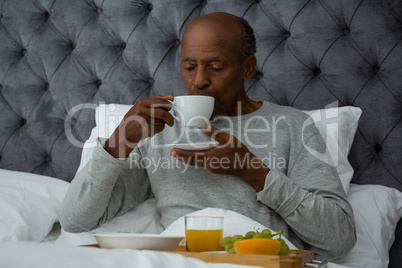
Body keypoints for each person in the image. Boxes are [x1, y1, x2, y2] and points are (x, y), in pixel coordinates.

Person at [59, 12, 356, 258]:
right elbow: (75, 220)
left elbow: (340, 238)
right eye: (189, 67)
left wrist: (253, 171)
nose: (198, 81)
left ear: (247, 67)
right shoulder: (159, 131)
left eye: (215, 67)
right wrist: (118, 142)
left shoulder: (292, 125)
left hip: (258, 261)